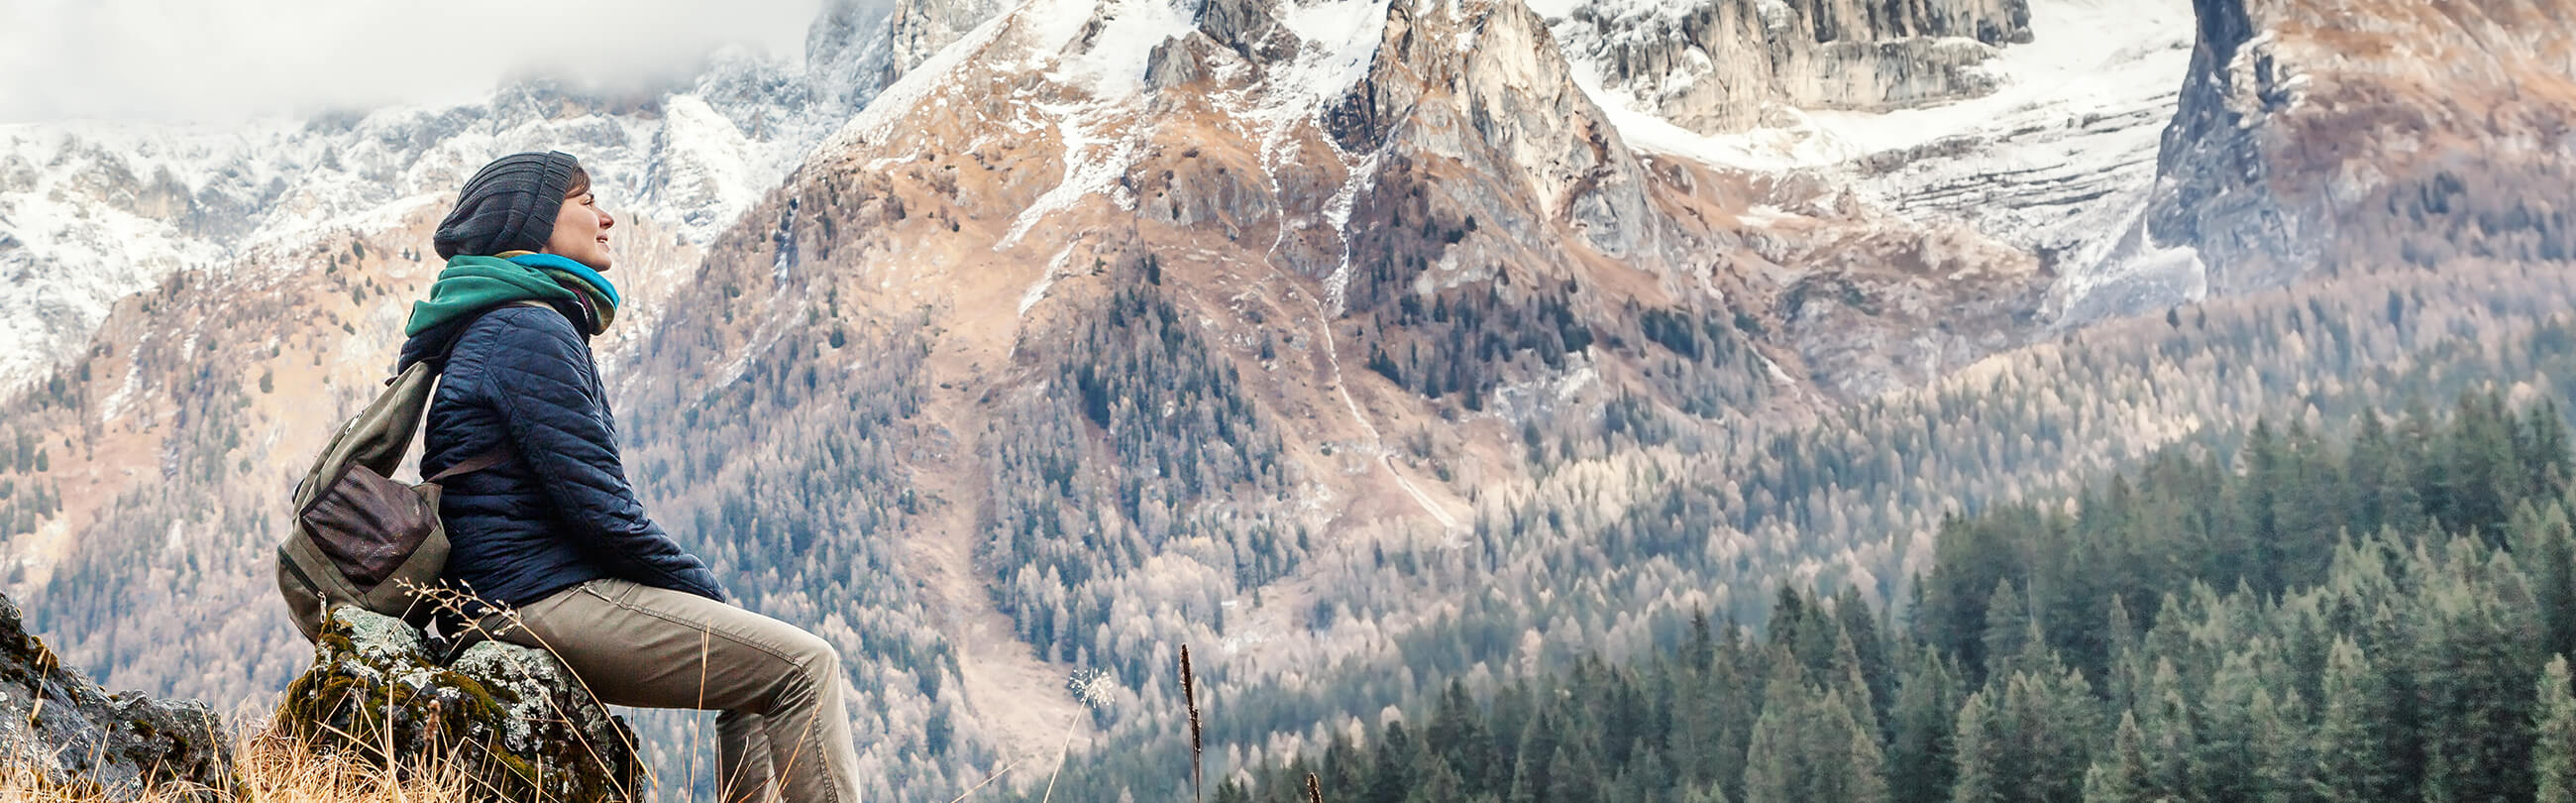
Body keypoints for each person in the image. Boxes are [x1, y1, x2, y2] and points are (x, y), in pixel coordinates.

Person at [396, 151, 861, 803]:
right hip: (536, 599)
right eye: (586, 203)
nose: (606, 217)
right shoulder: (526, 329)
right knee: (806, 668)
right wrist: (706, 595)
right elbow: (598, 508)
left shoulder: (507, 322)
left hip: (513, 593)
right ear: (531, 220)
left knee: (758, 689)